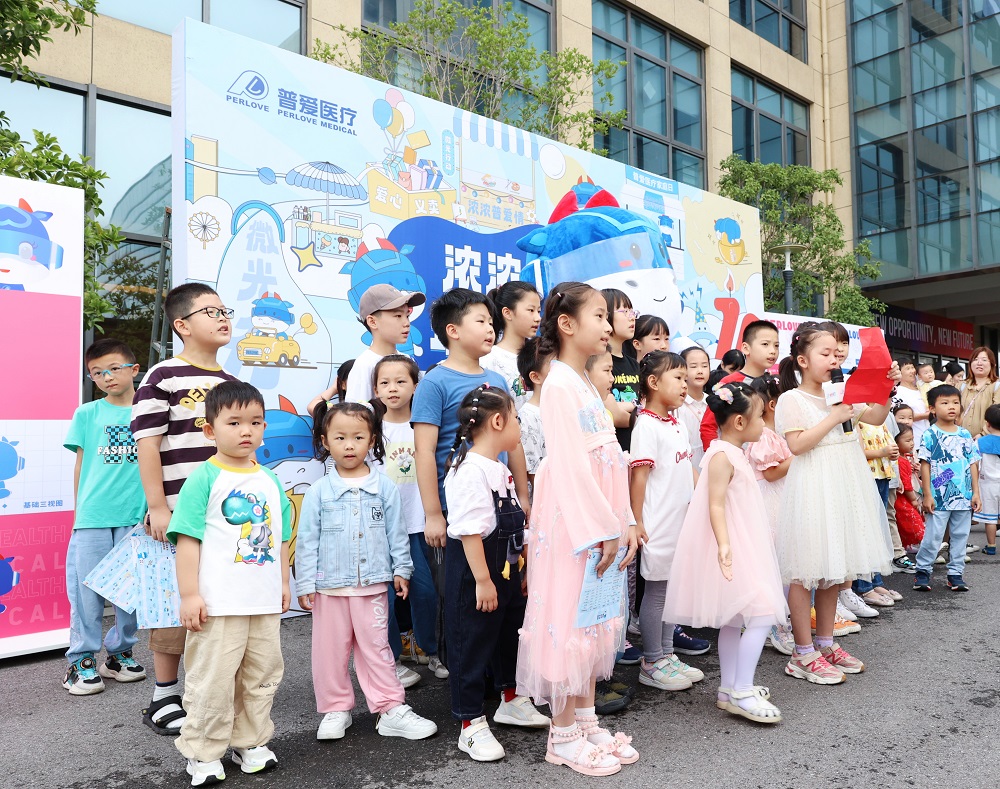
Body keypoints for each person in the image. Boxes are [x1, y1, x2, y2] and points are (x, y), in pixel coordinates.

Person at [517, 281, 639, 777]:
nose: (608, 326)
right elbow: (569, 465)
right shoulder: (559, 385)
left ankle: (586, 720)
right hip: (575, 523)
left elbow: (610, 458)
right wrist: (604, 527)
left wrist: (625, 521)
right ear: (567, 324)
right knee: (570, 618)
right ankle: (563, 734)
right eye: (600, 316)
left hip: (599, 519)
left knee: (594, 618)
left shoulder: (584, 381)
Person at [167, 381, 292, 786]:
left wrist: (283, 583)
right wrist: (189, 594)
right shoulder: (203, 478)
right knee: (212, 681)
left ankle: (250, 742)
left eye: (255, 421)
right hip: (218, 605)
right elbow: (187, 541)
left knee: (261, 676)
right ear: (210, 430)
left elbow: (280, 536)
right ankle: (203, 752)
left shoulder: (270, 480)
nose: (246, 430)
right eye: (234, 422)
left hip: (263, 602)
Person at [295, 401, 437, 743]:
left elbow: (397, 533)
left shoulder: (384, 487)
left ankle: (390, 708)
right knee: (330, 652)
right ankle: (335, 709)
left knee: (377, 648)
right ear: (325, 441)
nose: (349, 445)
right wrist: (305, 583)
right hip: (329, 587)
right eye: (340, 437)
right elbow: (307, 540)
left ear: (372, 440)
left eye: (358, 437)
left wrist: (402, 569)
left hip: (372, 585)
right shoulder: (319, 492)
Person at [131, 283, 238, 735]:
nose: (222, 317)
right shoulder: (163, 376)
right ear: (182, 325)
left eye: (224, 310)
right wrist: (158, 506)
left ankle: (207, 688)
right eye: (210, 311)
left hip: (225, 516)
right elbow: (147, 443)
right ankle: (163, 693)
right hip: (177, 514)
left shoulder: (231, 383)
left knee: (216, 601)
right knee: (174, 602)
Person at [412, 289, 530, 669]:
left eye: (491, 322)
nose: (490, 328)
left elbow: (514, 441)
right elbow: (424, 451)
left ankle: (497, 679)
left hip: (500, 508)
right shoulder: (434, 383)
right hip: (457, 511)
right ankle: (460, 673)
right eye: (480, 321)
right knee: (462, 596)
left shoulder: (497, 379)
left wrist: (523, 495)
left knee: (498, 593)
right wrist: (434, 514)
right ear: (453, 330)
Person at [775, 323, 898, 684]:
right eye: (825, 353)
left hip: (845, 483)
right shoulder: (792, 399)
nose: (834, 358)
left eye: (838, 353)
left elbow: (875, 417)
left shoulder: (843, 392)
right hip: (814, 486)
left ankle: (826, 643)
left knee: (835, 568)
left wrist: (886, 388)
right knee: (805, 572)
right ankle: (802, 652)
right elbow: (797, 446)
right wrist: (834, 416)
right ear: (803, 360)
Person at [665, 382, 787, 723]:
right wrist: (723, 545)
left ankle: (730, 687)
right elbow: (714, 504)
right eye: (759, 417)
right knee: (762, 613)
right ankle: (742, 690)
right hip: (735, 545)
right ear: (739, 422)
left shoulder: (733, 452)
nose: (763, 423)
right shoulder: (721, 456)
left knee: (735, 619)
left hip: (745, 541)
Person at [444, 385, 549, 761]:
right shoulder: (469, 471)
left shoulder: (499, 468)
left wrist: (522, 566)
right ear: (499, 422)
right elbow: (470, 532)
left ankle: (511, 698)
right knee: (470, 642)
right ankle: (470, 722)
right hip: (477, 574)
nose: (520, 425)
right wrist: (483, 581)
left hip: (505, 570)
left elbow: (513, 524)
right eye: (516, 418)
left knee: (509, 635)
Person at [62, 339, 146, 695]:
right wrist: (80, 512)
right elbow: (81, 464)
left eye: (113, 368)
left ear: (134, 369)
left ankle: (119, 654)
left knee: (131, 591)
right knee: (86, 593)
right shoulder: (87, 413)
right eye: (97, 373)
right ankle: (81, 660)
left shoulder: (150, 412)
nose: (106, 377)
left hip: (136, 516)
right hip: (93, 516)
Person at [628, 351, 704, 693]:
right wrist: (636, 521)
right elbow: (639, 479)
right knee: (658, 592)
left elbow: (687, 468)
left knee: (671, 592)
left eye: (686, 378)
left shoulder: (676, 422)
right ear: (653, 382)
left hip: (680, 522)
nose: (685, 385)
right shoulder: (645, 425)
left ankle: (668, 655)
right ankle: (652, 660)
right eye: (678, 378)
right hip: (658, 524)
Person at [370, 355, 447, 684]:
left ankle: (431, 650)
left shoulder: (424, 425)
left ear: (416, 386)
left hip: (417, 524)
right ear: (375, 389)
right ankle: (389, 660)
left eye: (401, 381)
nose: (393, 388)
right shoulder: (371, 427)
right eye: (384, 383)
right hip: (379, 528)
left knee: (426, 593)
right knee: (383, 599)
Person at [913, 385, 981, 592]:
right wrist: (927, 494)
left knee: (960, 536)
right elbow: (925, 464)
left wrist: (976, 492)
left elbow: (973, 463)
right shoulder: (930, 434)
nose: (951, 407)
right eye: (945, 403)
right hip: (938, 497)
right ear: (932, 408)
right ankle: (922, 571)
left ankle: (955, 574)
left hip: (964, 497)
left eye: (955, 402)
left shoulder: (965, 434)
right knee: (933, 536)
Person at [745, 373, 794, 655]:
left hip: (778, 497)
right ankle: (775, 624)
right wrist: (798, 455)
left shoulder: (775, 433)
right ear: (774, 405)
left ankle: (774, 621)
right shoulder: (764, 436)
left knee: (780, 564)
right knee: (774, 565)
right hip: (768, 500)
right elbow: (771, 473)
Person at [700, 321, 780, 451]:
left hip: (771, 456)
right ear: (746, 348)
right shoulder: (729, 383)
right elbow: (708, 426)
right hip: (736, 457)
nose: (773, 351)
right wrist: (716, 455)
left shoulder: (774, 382)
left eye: (776, 346)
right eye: (765, 344)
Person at [345, 283, 426, 403]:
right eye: (398, 316)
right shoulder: (365, 365)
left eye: (407, 316)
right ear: (372, 322)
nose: (406, 323)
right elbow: (356, 413)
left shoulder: (408, 360)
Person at [853, 415, 902, 607]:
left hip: (882, 475)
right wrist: (882, 452)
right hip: (866, 476)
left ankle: (875, 581)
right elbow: (856, 451)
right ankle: (864, 586)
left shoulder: (879, 417)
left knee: (877, 531)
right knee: (865, 531)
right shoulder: (858, 414)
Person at [482, 281, 541, 411]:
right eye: (531, 310)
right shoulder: (489, 360)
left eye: (538, 311)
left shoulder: (542, 356)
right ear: (507, 313)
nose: (538, 318)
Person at [602, 288, 640, 452]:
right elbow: (613, 415)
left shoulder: (634, 364)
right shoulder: (598, 362)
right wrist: (637, 410)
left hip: (635, 449)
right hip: (613, 451)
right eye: (624, 311)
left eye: (632, 312)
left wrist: (625, 407)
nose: (632, 317)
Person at [516, 337, 551, 494]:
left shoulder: (567, 407)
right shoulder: (528, 416)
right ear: (535, 377)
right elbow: (534, 475)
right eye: (554, 364)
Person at [893, 425, 925, 550]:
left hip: (902, 498)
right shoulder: (901, 461)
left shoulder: (904, 458)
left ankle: (913, 546)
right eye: (907, 440)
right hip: (903, 499)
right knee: (913, 521)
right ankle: (926, 546)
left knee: (907, 522)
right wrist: (913, 499)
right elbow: (906, 484)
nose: (912, 443)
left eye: (912, 439)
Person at [679, 345, 711, 470]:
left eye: (704, 366)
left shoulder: (713, 402)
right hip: (685, 469)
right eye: (693, 366)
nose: (700, 371)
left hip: (711, 468)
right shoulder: (677, 405)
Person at [958, 347, 1000, 439]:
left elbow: (997, 414)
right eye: (975, 359)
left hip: (988, 440)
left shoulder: (997, 385)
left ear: (993, 365)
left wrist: (983, 434)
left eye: (984, 360)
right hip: (960, 439)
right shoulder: (961, 385)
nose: (979, 363)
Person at [975, 404, 1000, 555]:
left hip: (988, 484)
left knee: (990, 517)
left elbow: (976, 465)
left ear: (988, 424)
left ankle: (991, 546)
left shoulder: (980, 442)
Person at [894, 357, 931, 449]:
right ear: (899, 373)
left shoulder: (921, 389)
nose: (912, 371)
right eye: (908, 369)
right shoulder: (898, 392)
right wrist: (926, 416)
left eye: (912, 367)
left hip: (928, 438)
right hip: (914, 441)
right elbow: (899, 416)